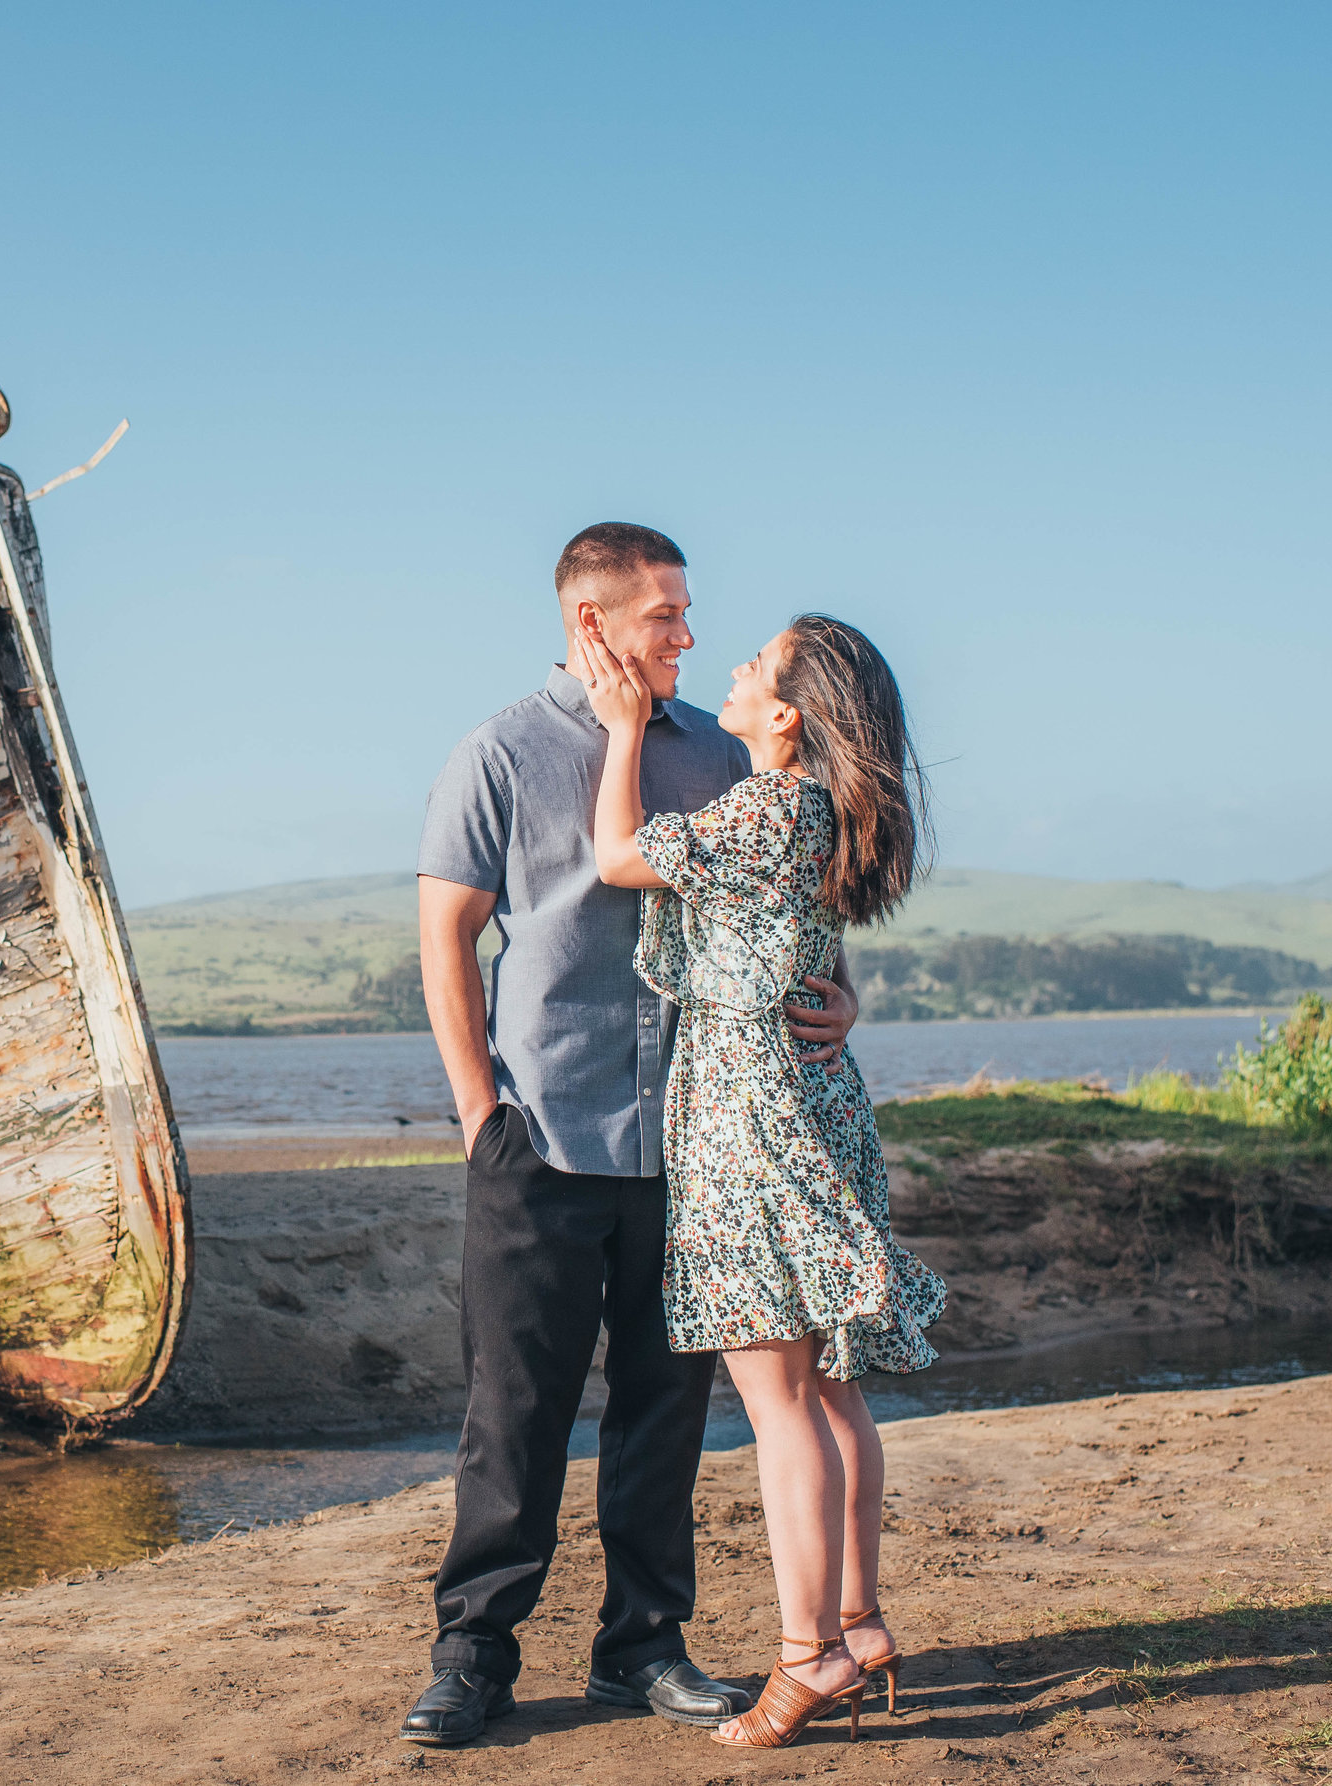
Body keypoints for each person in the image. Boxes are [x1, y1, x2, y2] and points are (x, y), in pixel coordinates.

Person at [400, 525, 861, 1746]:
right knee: (518, 1407)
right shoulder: (495, 753)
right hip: (539, 1132)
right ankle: (474, 1654)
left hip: (695, 1141)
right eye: (666, 615)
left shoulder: (723, 750)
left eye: (689, 612)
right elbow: (445, 941)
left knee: (667, 1407)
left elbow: (791, 890)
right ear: (592, 623)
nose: (689, 635)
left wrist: (843, 989)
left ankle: (642, 1647)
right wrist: (475, 1113)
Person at [578, 612, 947, 1749]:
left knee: (779, 1400)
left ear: (784, 714)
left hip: (750, 1112)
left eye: (752, 664)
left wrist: (622, 728)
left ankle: (807, 1660)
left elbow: (615, 856)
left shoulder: (761, 803)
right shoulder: (819, 810)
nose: (730, 667)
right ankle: (858, 1621)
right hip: (809, 1097)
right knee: (831, 1389)